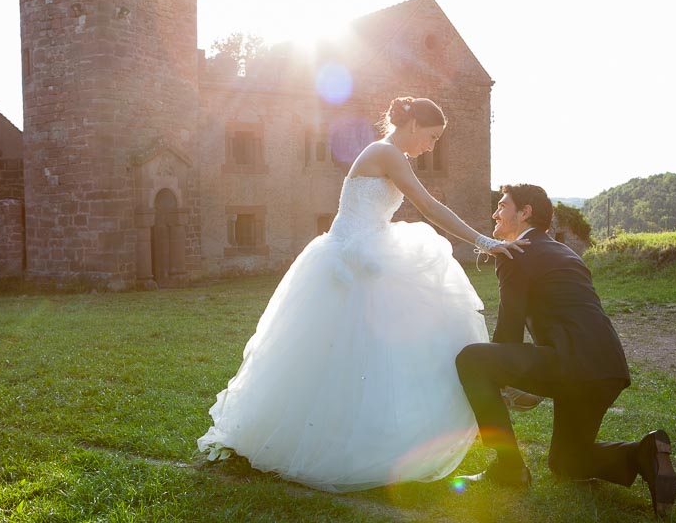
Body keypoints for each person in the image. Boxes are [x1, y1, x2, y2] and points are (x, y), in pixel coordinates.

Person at [197, 96, 525, 492]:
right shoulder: (385, 152)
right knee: (344, 355)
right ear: (415, 124)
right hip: (351, 260)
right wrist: (480, 240)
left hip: (368, 251)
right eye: (433, 136)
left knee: (371, 354)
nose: (432, 146)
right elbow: (427, 205)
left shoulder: (390, 154)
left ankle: (373, 438)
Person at [454, 184, 676, 518]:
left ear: (525, 212)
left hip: (569, 364)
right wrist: (528, 375)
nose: (495, 213)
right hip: (608, 368)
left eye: (502, 206)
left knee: (471, 360)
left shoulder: (515, 251)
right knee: (567, 461)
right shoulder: (565, 252)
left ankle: (508, 467)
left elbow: (509, 334)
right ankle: (643, 454)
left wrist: (502, 382)